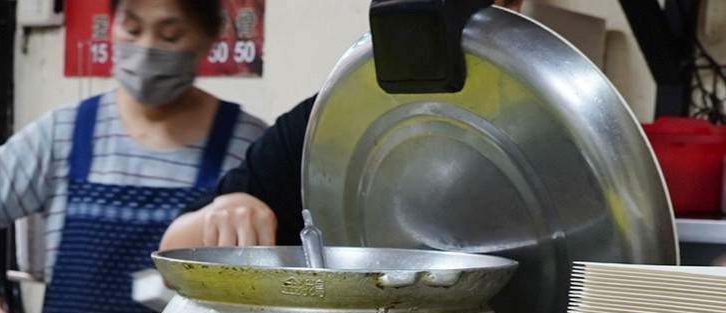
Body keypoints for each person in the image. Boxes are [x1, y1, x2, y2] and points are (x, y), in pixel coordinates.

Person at [0, 0, 266, 313]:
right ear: (111, 28)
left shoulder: (247, 148)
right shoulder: (66, 134)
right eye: (132, 30)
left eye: (170, 34)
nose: (146, 47)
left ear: (208, 40)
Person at [162, 0, 525, 249]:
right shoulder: (329, 125)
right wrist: (227, 208)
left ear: (511, 5)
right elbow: (172, 247)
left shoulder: (545, 131)